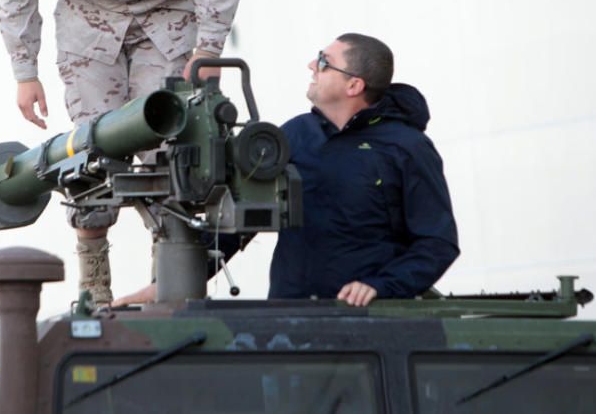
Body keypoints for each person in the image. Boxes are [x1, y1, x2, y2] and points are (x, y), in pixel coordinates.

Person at [0, 0, 239, 307]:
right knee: (88, 150)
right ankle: (94, 285)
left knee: (170, 145)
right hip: (89, 30)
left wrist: (208, 49)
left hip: (165, 23)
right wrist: (25, 72)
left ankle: (167, 282)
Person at [113, 33, 459, 307]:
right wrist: (165, 286)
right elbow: (236, 222)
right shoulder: (294, 135)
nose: (311, 65)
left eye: (324, 62)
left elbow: (437, 243)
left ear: (354, 85)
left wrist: (380, 286)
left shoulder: (407, 148)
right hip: (289, 320)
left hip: (371, 327)